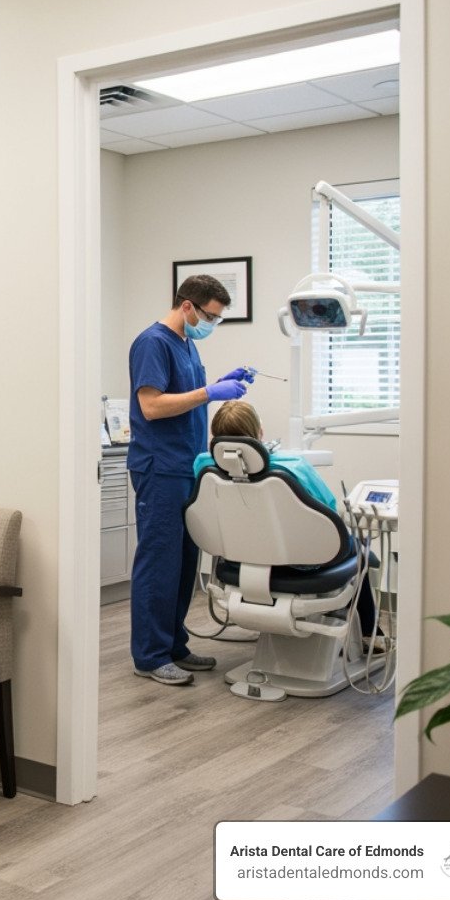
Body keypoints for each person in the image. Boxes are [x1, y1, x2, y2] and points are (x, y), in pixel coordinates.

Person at [128, 273, 253, 686]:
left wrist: (214, 384)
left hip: (186, 465)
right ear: (187, 306)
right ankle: (150, 655)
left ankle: (174, 644)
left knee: (183, 564)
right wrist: (210, 392)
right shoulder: (152, 343)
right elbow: (152, 406)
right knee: (158, 562)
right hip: (159, 467)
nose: (211, 325)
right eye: (210, 316)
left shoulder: (186, 344)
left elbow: (185, 396)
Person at [193, 400, 382, 643]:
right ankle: (370, 635)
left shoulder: (204, 467)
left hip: (239, 564)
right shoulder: (291, 467)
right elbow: (329, 511)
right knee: (360, 549)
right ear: (259, 432)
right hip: (299, 566)